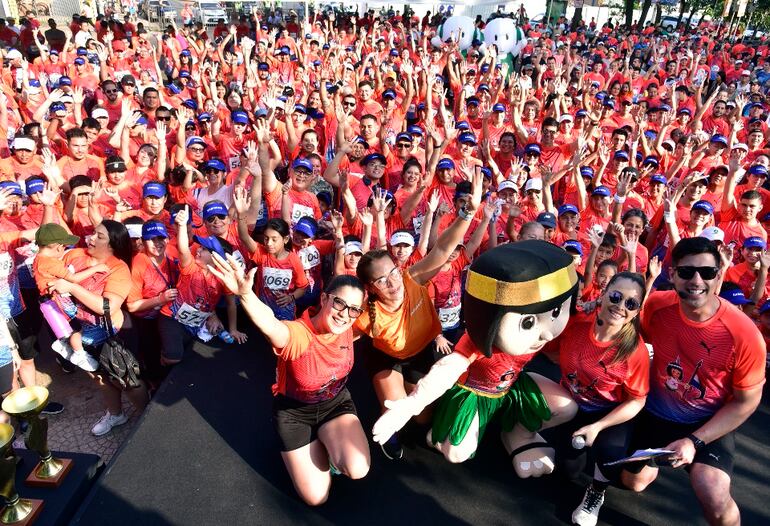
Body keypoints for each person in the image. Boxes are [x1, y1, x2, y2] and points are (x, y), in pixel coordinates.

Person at [622, 237, 766, 525]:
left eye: (707, 272)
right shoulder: (657, 307)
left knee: (712, 493)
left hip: (706, 422)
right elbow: (626, 338)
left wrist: (693, 441)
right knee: (633, 483)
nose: (696, 280)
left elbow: (746, 403)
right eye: (687, 272)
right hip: (655, 413)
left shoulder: (744, 334)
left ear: (719, 275)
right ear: (672, 274)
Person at [208, 253, 370, 506]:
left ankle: (330, 445)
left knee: (357, 468)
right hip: (295, 414)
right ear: (325, 298)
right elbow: (272, 325)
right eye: (339, 303)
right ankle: (315, 450)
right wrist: (247, 295)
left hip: (335, 405)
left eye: (353, 309)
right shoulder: (298, 335)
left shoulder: (350, 326)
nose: (345, 314)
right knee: (316, 497)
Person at [354, 171, 483, 460]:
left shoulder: (413, 278)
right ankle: (387, 427)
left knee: (422, 418)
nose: (392, 281)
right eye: (381, 280)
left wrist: (466, 214)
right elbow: (333, 339)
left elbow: (444, 248)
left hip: (420, 350)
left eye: (392, 272)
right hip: (386, 357)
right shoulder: (366, 315)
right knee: (395, 407)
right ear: (371, 288)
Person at [554, 272, 650, 526]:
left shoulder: (634, 350)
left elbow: (637, 401)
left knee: (610, 452)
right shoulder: (576, 323)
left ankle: (596, 491)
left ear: (637, 310)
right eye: (616, 296)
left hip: (609, 413)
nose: (620, 307)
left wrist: (598, 426)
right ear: (604, 292)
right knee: (568, 471)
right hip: (572, 402)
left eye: (631, 303)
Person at [46, 220, 149, 437]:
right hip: (80, 335)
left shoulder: (118, 268)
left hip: (111, 335)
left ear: (113, 245)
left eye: (99, 236)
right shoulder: (75, 255)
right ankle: (116, 414)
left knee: (128, 380)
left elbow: (108, 307)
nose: (91, 238)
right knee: (101, 378)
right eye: (93, 232)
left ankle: (147, 417)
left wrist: (72, 287)